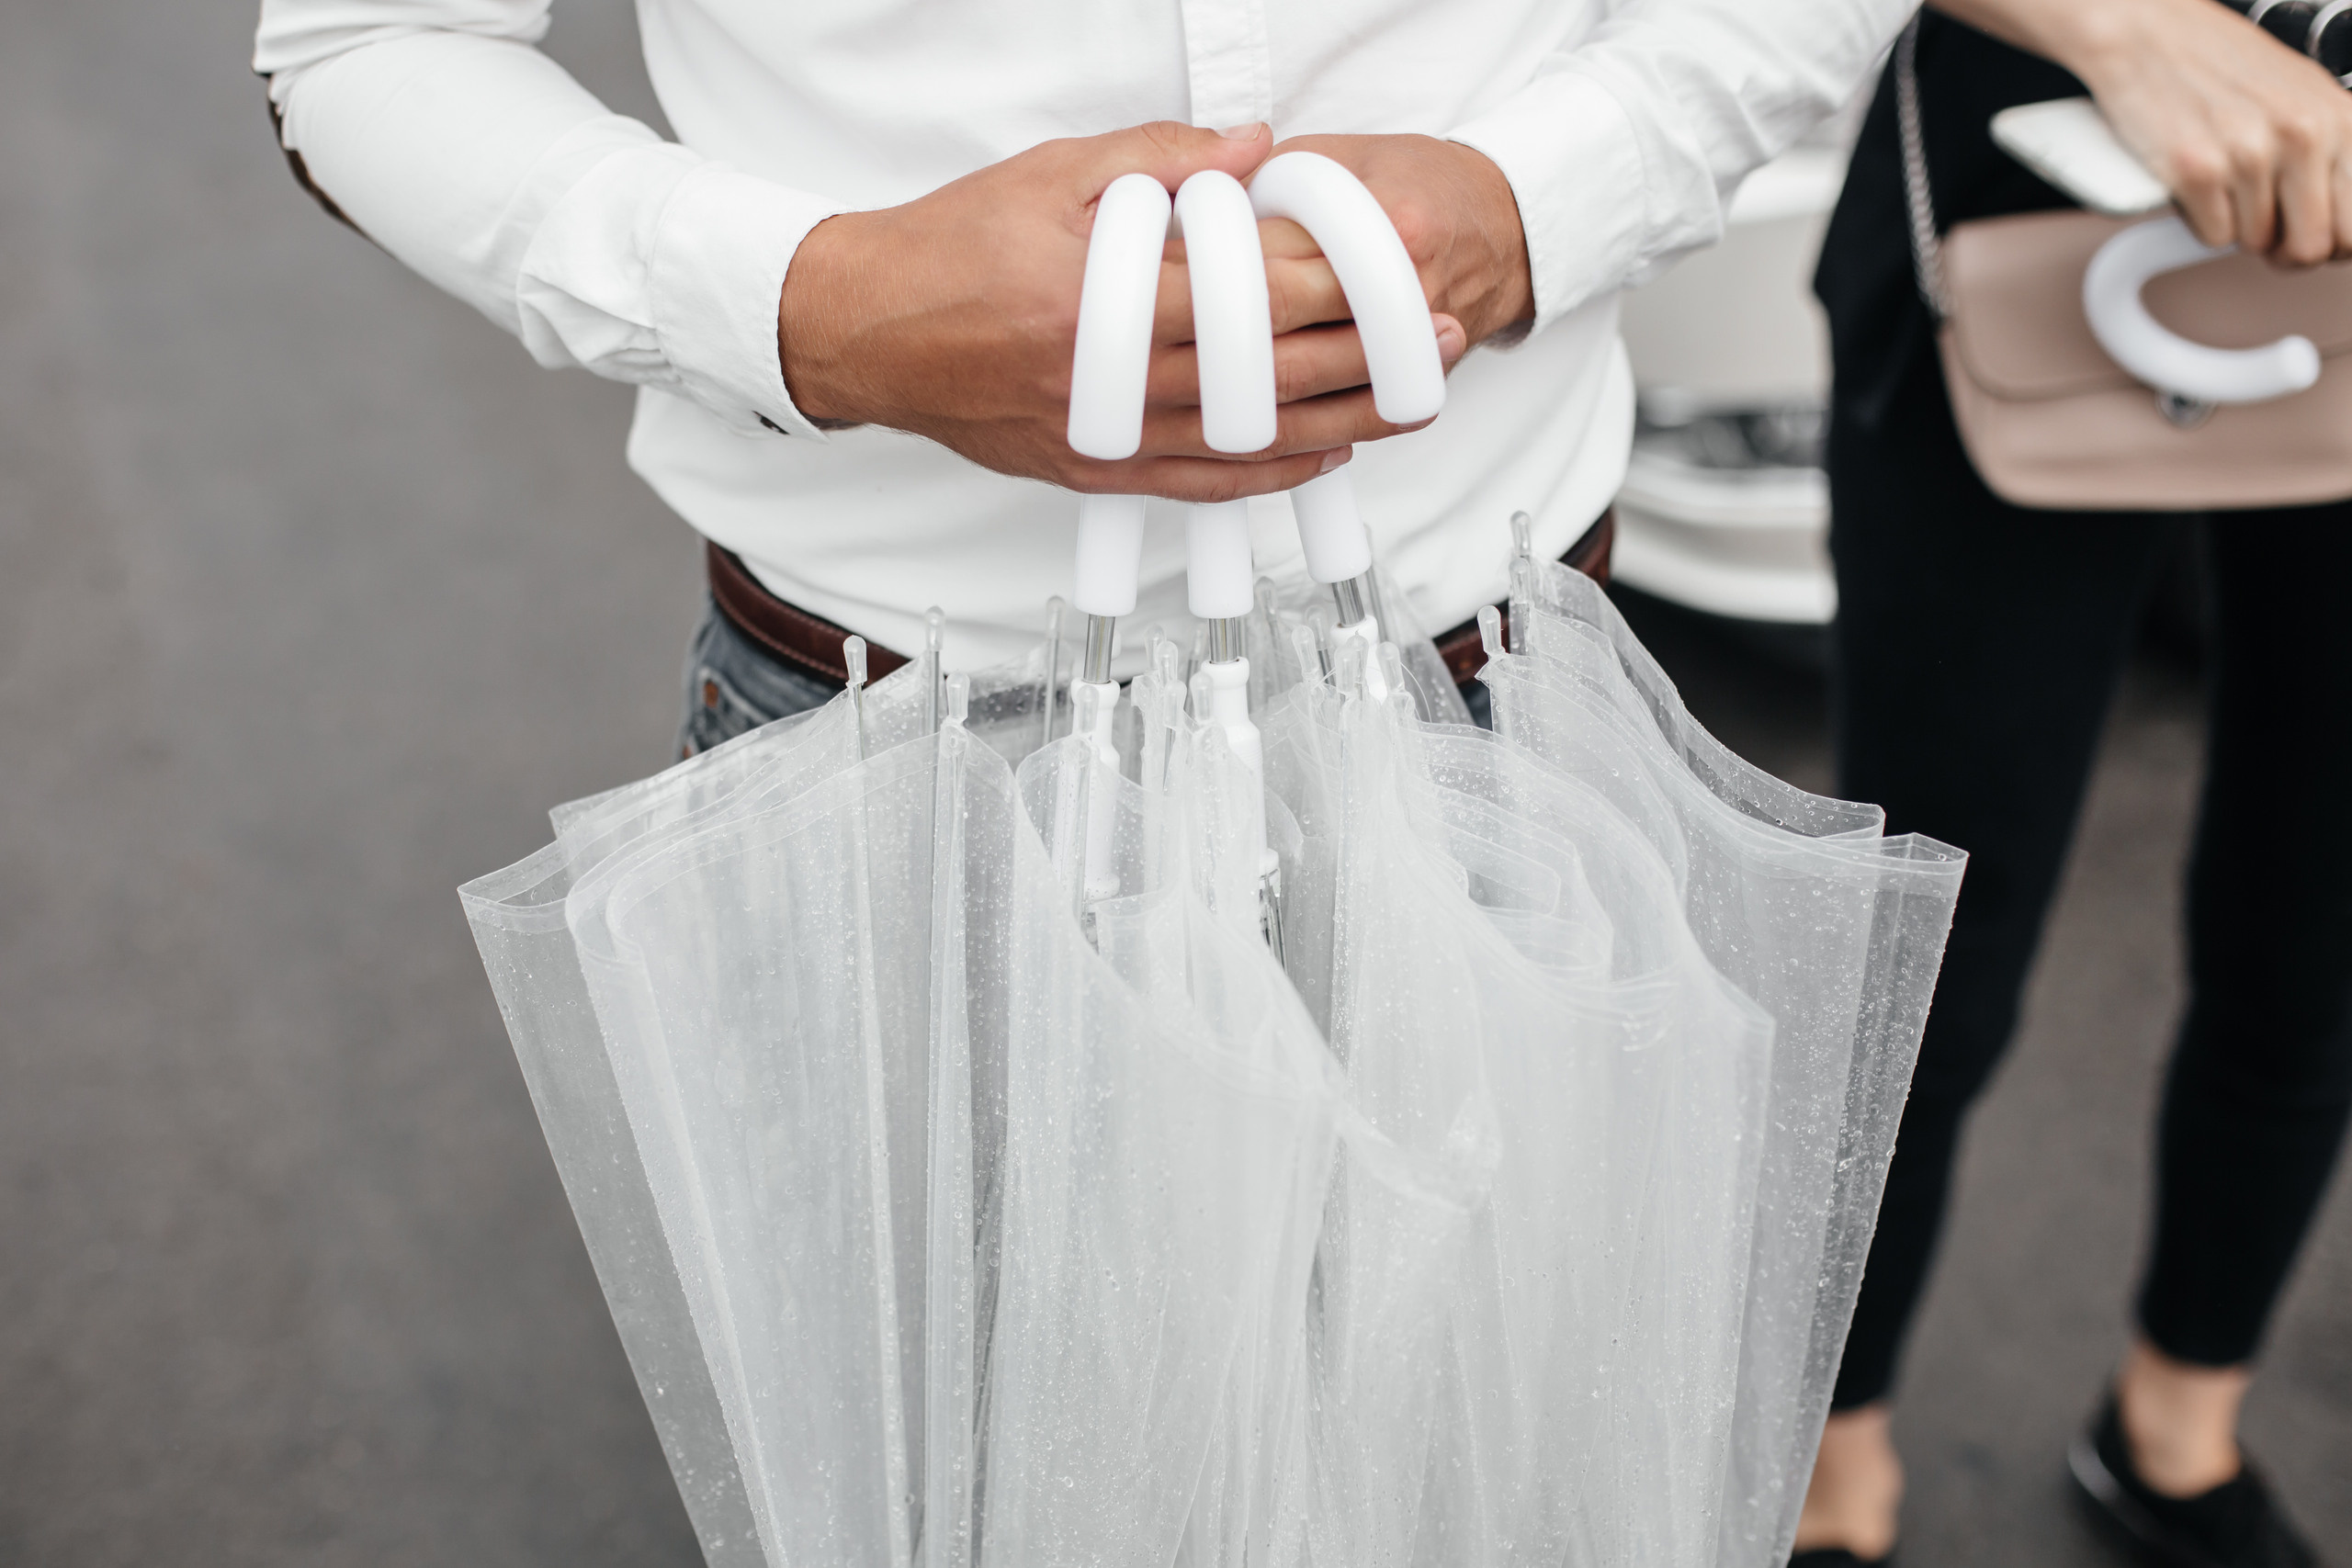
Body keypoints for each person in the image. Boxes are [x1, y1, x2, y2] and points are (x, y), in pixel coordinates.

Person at [253, 0, 1909, 750]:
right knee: (941, 1449)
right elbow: (369, 44)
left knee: (1525, 1435)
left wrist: (1534, 208)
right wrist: (828, 310)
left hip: (1510, 662)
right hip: (886, 707)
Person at [1804, 0, 2352, 1563]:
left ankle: (2179, 1424)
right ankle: (1828, 1470)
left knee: (2316, 915)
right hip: (2026, 183)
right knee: (1932, 948)